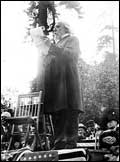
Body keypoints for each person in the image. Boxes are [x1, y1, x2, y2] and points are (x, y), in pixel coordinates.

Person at [31, 21, 84, 149]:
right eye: (54, 28)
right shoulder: (55, 45)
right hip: (57, 87)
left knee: (69, 113)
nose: (55, 29)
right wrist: (43, 50)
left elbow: (69, 55)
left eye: (58, 27)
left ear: (66, 28)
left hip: (68, 85)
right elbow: (49, 63)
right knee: (58, 114)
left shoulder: (72, 39)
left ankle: (70, 144)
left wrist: (50, 47)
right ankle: (59, 143)